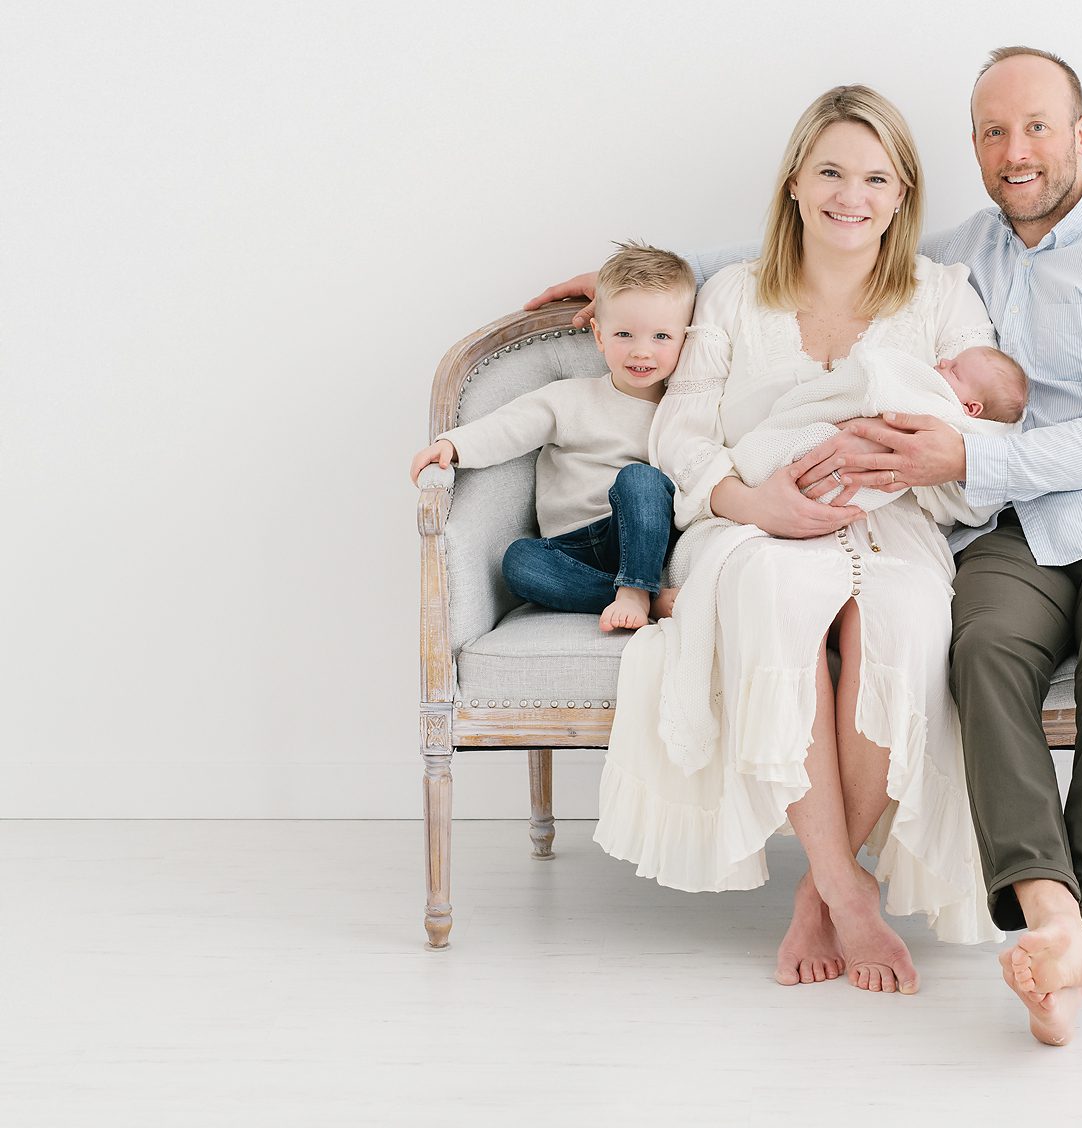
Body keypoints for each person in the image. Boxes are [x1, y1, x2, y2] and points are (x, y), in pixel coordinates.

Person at [527, 48, 1082, 1046]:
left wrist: (938, 458)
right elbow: (721, 367)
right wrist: (644, 292)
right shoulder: (908, 262)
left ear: (1080, 135)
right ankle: (878, 898)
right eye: (993, 131)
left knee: (996, 635)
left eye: (1035, 128)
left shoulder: (1076, 267)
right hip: (860, 516)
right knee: (875, 621)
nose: (1015, 151)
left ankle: (1019, 922)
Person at [590, 85, 1006, 996]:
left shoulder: (940, 296)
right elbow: (681, 434)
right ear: (793, 181)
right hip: (752, 517)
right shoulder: (734, 295)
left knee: (900, 617)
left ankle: (821, 896)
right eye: (829, 171)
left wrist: (910, 463)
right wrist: (752, 501)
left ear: (901, 197)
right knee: (776, 596)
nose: (849, 195)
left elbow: (981, 432)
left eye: (874, 178)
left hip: (889, 518)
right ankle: (854, 903)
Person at [412, 242, 693, 631]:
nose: (641, 352)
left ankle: (635, 587)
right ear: (599, 335)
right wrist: (454, 445)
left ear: (686, 339)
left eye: (661, 337)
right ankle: (644, 597)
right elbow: (511, 425)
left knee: (639, 479)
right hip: (569, 548)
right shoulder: (570, 398)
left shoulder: (682, 411)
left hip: (637, 540)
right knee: (518, 562)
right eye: (624, 334)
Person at [724, 343, 1026, 515]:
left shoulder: (951, 419)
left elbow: (975, 482)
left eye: (954, 369)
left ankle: (759, 466)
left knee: (812, 449)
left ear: (971, 409)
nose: (943, 360)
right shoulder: (934, 386)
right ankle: (758, 471)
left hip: (869, 499)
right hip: (823, 440)